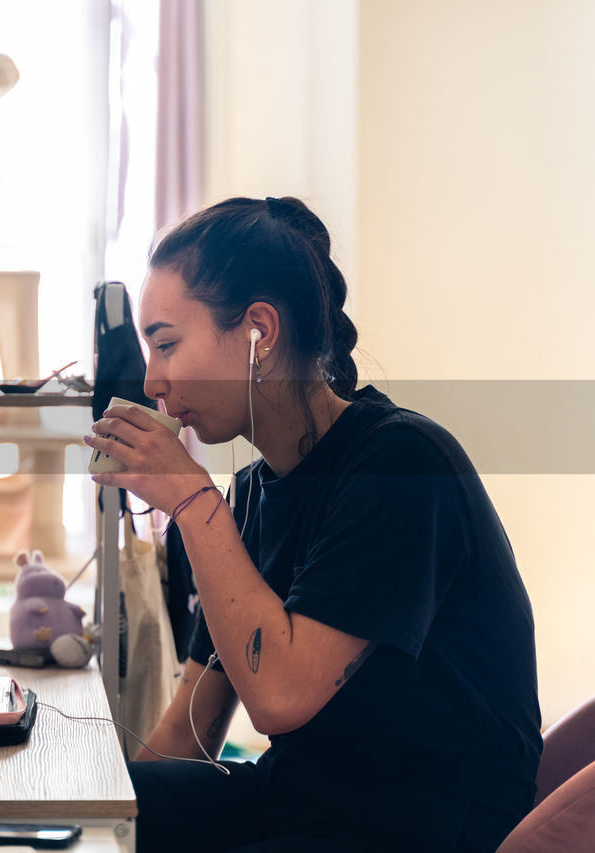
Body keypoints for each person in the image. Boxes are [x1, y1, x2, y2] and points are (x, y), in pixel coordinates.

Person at [85, 196, 541, 852]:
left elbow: (281, 697)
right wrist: (92, 804)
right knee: (89, 821)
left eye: (167, 343)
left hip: (419, 825)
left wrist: (190, 498)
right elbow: (193, 727)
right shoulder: (251, 494)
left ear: (258, 333)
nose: (153, 379)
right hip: (300, 801)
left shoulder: (401, 464)